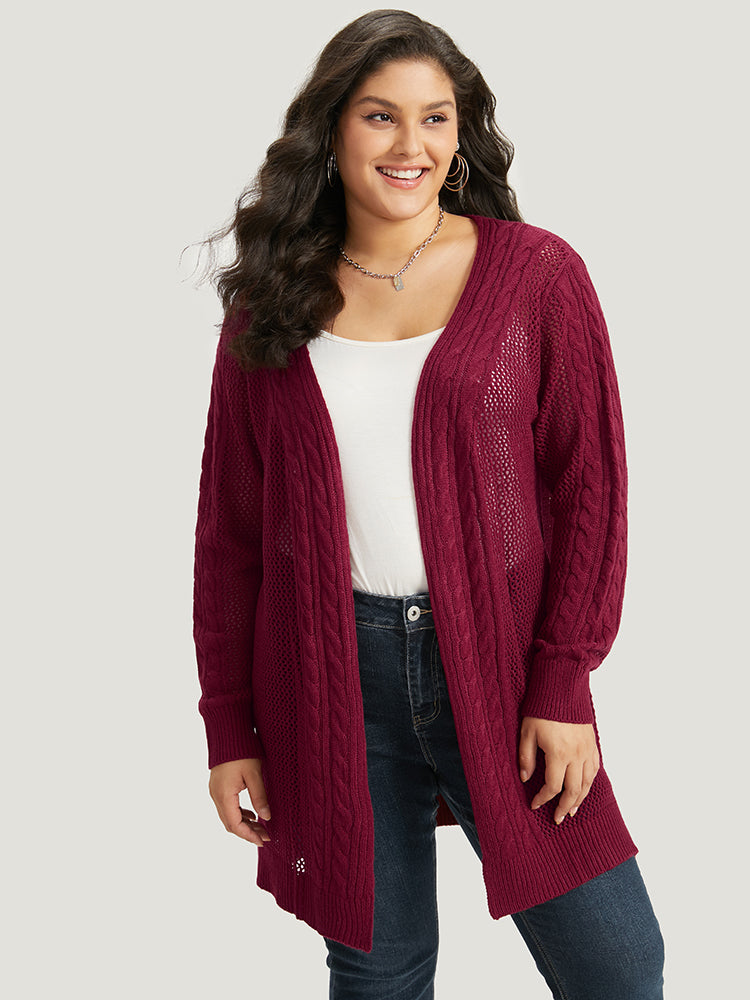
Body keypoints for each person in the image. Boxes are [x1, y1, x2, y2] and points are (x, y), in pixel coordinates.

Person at [192, 9, 665, 999]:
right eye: (380, 116)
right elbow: (230, 534)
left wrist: (563, 682)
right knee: (379, 973)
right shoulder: (270, 301)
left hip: (500, 663)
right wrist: (230, 727)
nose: (411, 144)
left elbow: (591, 491)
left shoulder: (536, 274)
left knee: (617, 963)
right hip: (325, 669)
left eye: (435, 118)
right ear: (330, 130)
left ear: (459, 134)